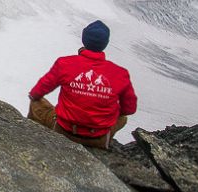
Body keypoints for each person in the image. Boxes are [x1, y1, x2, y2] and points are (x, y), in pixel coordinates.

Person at [28, 20, 137, 149]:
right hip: (98, 138)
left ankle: (32, 139)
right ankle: (103, 142)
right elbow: (129, 109)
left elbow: (38, 91)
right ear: (105, 43)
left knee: (36, 103)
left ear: (84, 40)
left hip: (64, 131)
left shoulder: (65, 63)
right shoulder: (120, 73)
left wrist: (34, 96)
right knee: (122, 118)